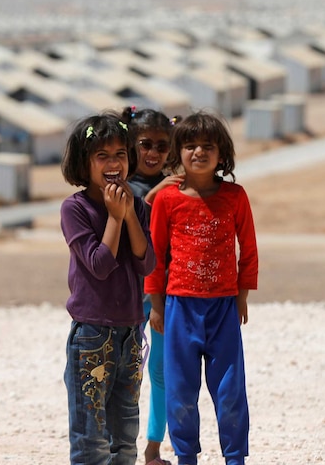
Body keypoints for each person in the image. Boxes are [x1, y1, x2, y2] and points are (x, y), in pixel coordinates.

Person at [145, 111, 258, 465]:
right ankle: (185, 457)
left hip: (223, 308)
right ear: (178, 153)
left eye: (207, 146)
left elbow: (249, 248)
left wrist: (242, 295)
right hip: (180, 308)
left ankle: (235, 457)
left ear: (221, 154)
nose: (198, 152)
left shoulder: (236, 196)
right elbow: (155, 255)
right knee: (180, 391)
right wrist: (156, 305)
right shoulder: (166, 200)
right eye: (190, 145)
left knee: (229, 391)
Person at [60, 111, 157, 465]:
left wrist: (130, 213)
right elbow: (100, 265)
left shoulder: (138, 207)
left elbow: (147, 265)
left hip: (131, 333)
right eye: (103, 156)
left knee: (124, 437)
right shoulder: (76, 209)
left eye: (120, 154)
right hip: (92, 335)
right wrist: (115, 217)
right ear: (84, 164)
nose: (113, 163)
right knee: (92, 439)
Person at [121, 106, 183, 465]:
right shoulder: (124, 184)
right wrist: (160, 189)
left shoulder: (174, 187)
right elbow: (137, 212)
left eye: (162, 146)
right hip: (130, 295)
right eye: (145, 144)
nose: (154, 153)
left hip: (164, 294)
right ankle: (121, 448)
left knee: (161, 372)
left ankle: (153, 449)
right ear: (132, 144)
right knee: (128, 373)